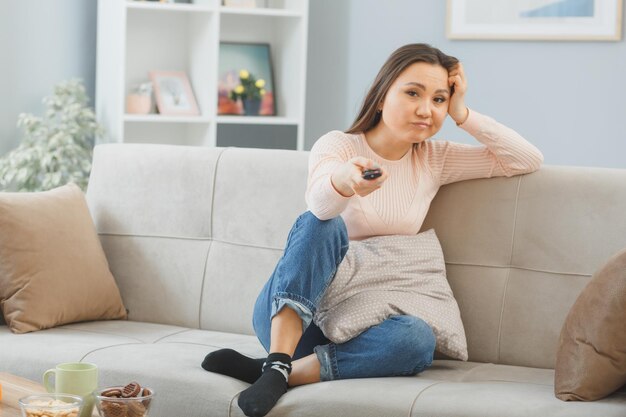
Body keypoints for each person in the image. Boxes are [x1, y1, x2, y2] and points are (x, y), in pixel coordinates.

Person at [201, 43, 543, 417]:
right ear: (381, 97)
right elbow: (318, 206)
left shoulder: (435, 158)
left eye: (439, 99)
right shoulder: (338, 145)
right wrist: (344, 182)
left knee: (417, 340)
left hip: (365, 328)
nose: (426, 109)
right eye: (412, 93)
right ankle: (281, 358)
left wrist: (462, 113)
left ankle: (273, 373)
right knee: (323, 221)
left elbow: (525, 159)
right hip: (298, 321)